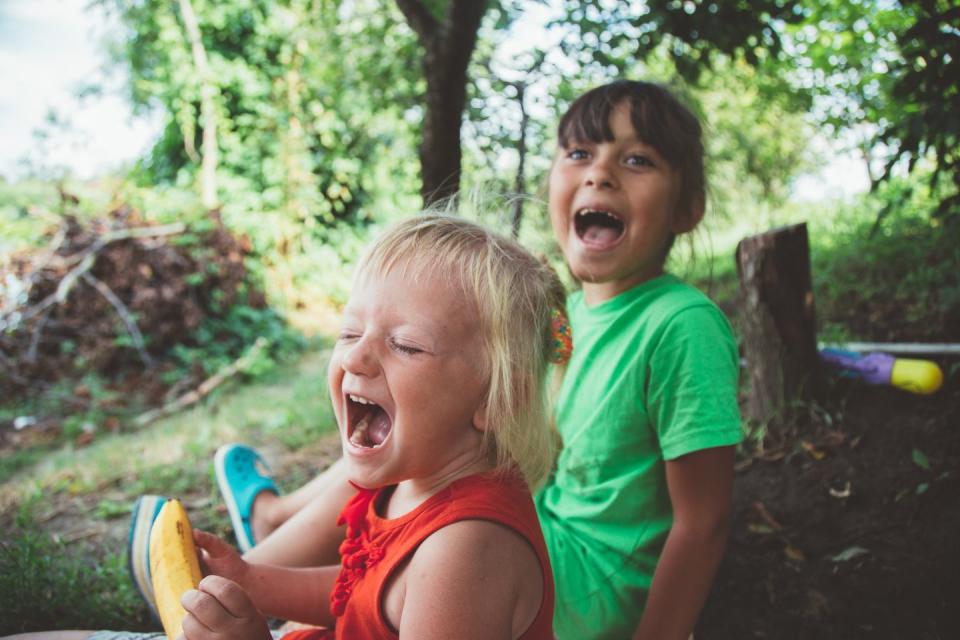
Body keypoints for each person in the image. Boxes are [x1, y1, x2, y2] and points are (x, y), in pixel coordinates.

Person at [198, 80, 742, 640]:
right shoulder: (565, 318)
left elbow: (703, 520)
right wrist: (250, 583)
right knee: (402, 430)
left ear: (688, 207)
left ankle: (260, 540)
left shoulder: (680, 323)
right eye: (579, 153)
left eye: (637, 159)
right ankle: (247, 561)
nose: (600, 173)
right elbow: (367, 586)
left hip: (575, 594)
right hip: (513, 557)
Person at [9, 214, 565, 640]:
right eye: (349, 333)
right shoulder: (413, 480)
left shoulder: (467, 552)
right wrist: (253, 581)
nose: (357, 359)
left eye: (406, 345)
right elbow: (362, 591)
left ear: (498, 396)